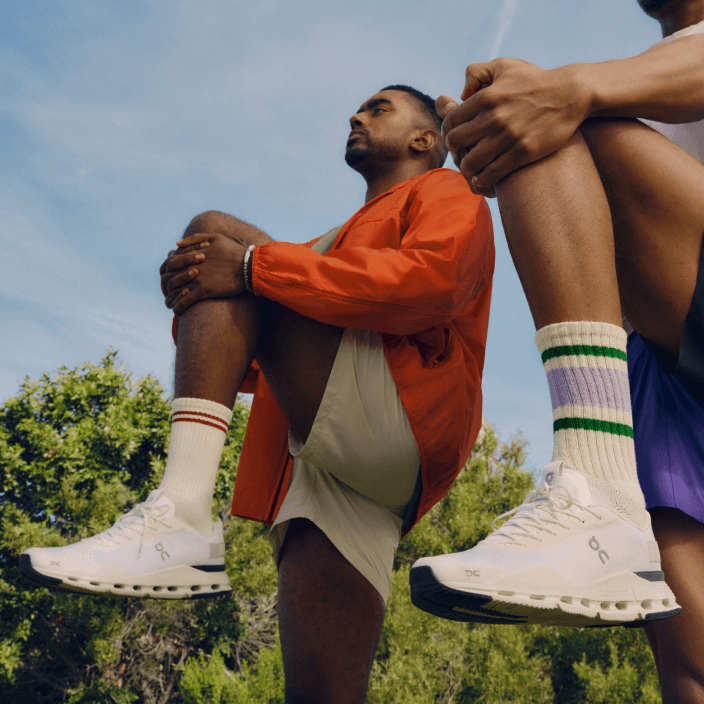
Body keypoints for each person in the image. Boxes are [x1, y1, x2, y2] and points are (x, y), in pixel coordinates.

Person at [20, 85, 495, 703]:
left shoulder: (445, 190)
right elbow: (250, 357)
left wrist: (242, 271)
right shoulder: (331, 241)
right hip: (331, 463)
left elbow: (432, 283)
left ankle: (182, 514)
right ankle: (180, 523)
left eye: (378, 108)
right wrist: (203, 298)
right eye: (357, 108)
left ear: (424, 139)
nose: (355, 115)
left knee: (217, 233)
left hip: (404, 416)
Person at [410, 0, 704, 697]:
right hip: (661, 369)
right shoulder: (629, 83)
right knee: (691, 669)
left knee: (533, 104)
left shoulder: (615, 85)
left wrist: (564, 92)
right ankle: (594, 490)